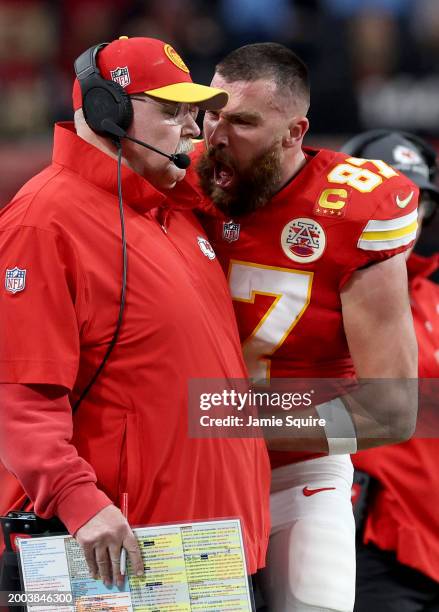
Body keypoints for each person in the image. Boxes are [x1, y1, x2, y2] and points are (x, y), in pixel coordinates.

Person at [0, 36, 271, 592]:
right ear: (108, 112)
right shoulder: (43, 222)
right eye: (173, 113)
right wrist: (79, 503)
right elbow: (18, 394)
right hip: (118, 552)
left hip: (208, 548)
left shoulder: (167, 212)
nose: (193, 132)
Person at [192, 43, 419, 612]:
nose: (217, 135)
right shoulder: (175, 176)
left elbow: (392, 409)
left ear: (295, 132)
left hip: (298, 470)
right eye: (210, 112)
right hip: (192, 469)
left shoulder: (349, 208)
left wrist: (222, 424)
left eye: (242, 120)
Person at [341, 130, 439, 612]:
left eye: (417, 202)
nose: (406, 214)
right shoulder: (319, 297)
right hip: (375, 546)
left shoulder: (434, 299)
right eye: (392, 197)